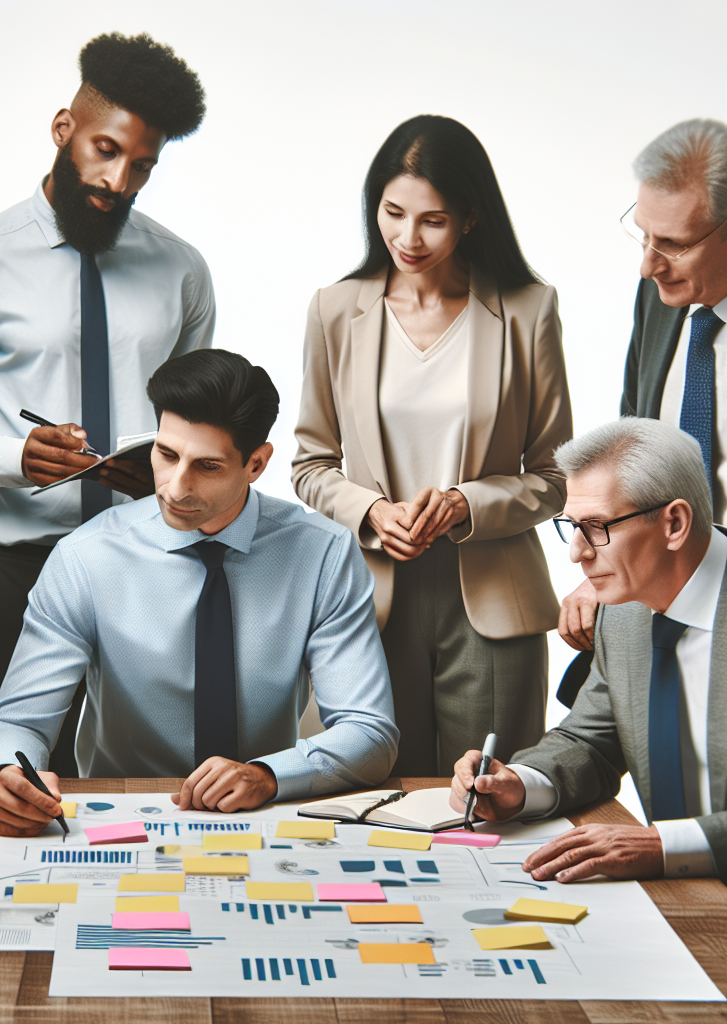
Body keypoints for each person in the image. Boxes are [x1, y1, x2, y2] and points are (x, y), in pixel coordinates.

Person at [0, 32, 215, 751]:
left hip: (150, 559)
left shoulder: (183, 271)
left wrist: (174, 471)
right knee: (24, 769)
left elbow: (201, 419)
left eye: (143, 166)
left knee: (154, 769)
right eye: (105, 151)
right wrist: (18, 460)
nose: (119, 182)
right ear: (64, 129)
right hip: (18, 568)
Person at [0, 349, 398, 836]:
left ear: (256, 463)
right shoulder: (85, 557)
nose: (176, 487)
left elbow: (369, 732)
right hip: (121, 821)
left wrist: (268, 776)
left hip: (266, 818)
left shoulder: (323, 555)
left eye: (208, 467)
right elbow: (17, 723)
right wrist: (5, 772)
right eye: (167, 454)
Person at [292, 115, 572, 777]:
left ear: (471, 217)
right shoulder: (336, 309)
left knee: (486, 806)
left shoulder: (528, 310)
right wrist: (371, 513)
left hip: (492, 601)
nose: (407, 238)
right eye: (393, 213)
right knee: (367, 796)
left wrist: (465, 503)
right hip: (368, 597)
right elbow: (309, 464)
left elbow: (559, 475)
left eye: (433, 220)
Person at [451, 418, 727, 883]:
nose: (577, 553)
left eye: (597, 527)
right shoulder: (622, 610)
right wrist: (518, 785)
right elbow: (590, 742)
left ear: (674, 523)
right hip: (679, 901)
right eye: (572, 527)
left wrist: (666, 845)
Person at [560, 120, 727, 703]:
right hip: (662, 597)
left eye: (674, 244)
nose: (648, 265)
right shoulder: (659, 304)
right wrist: (603, 573)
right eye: (643, 234)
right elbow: (631, 460)